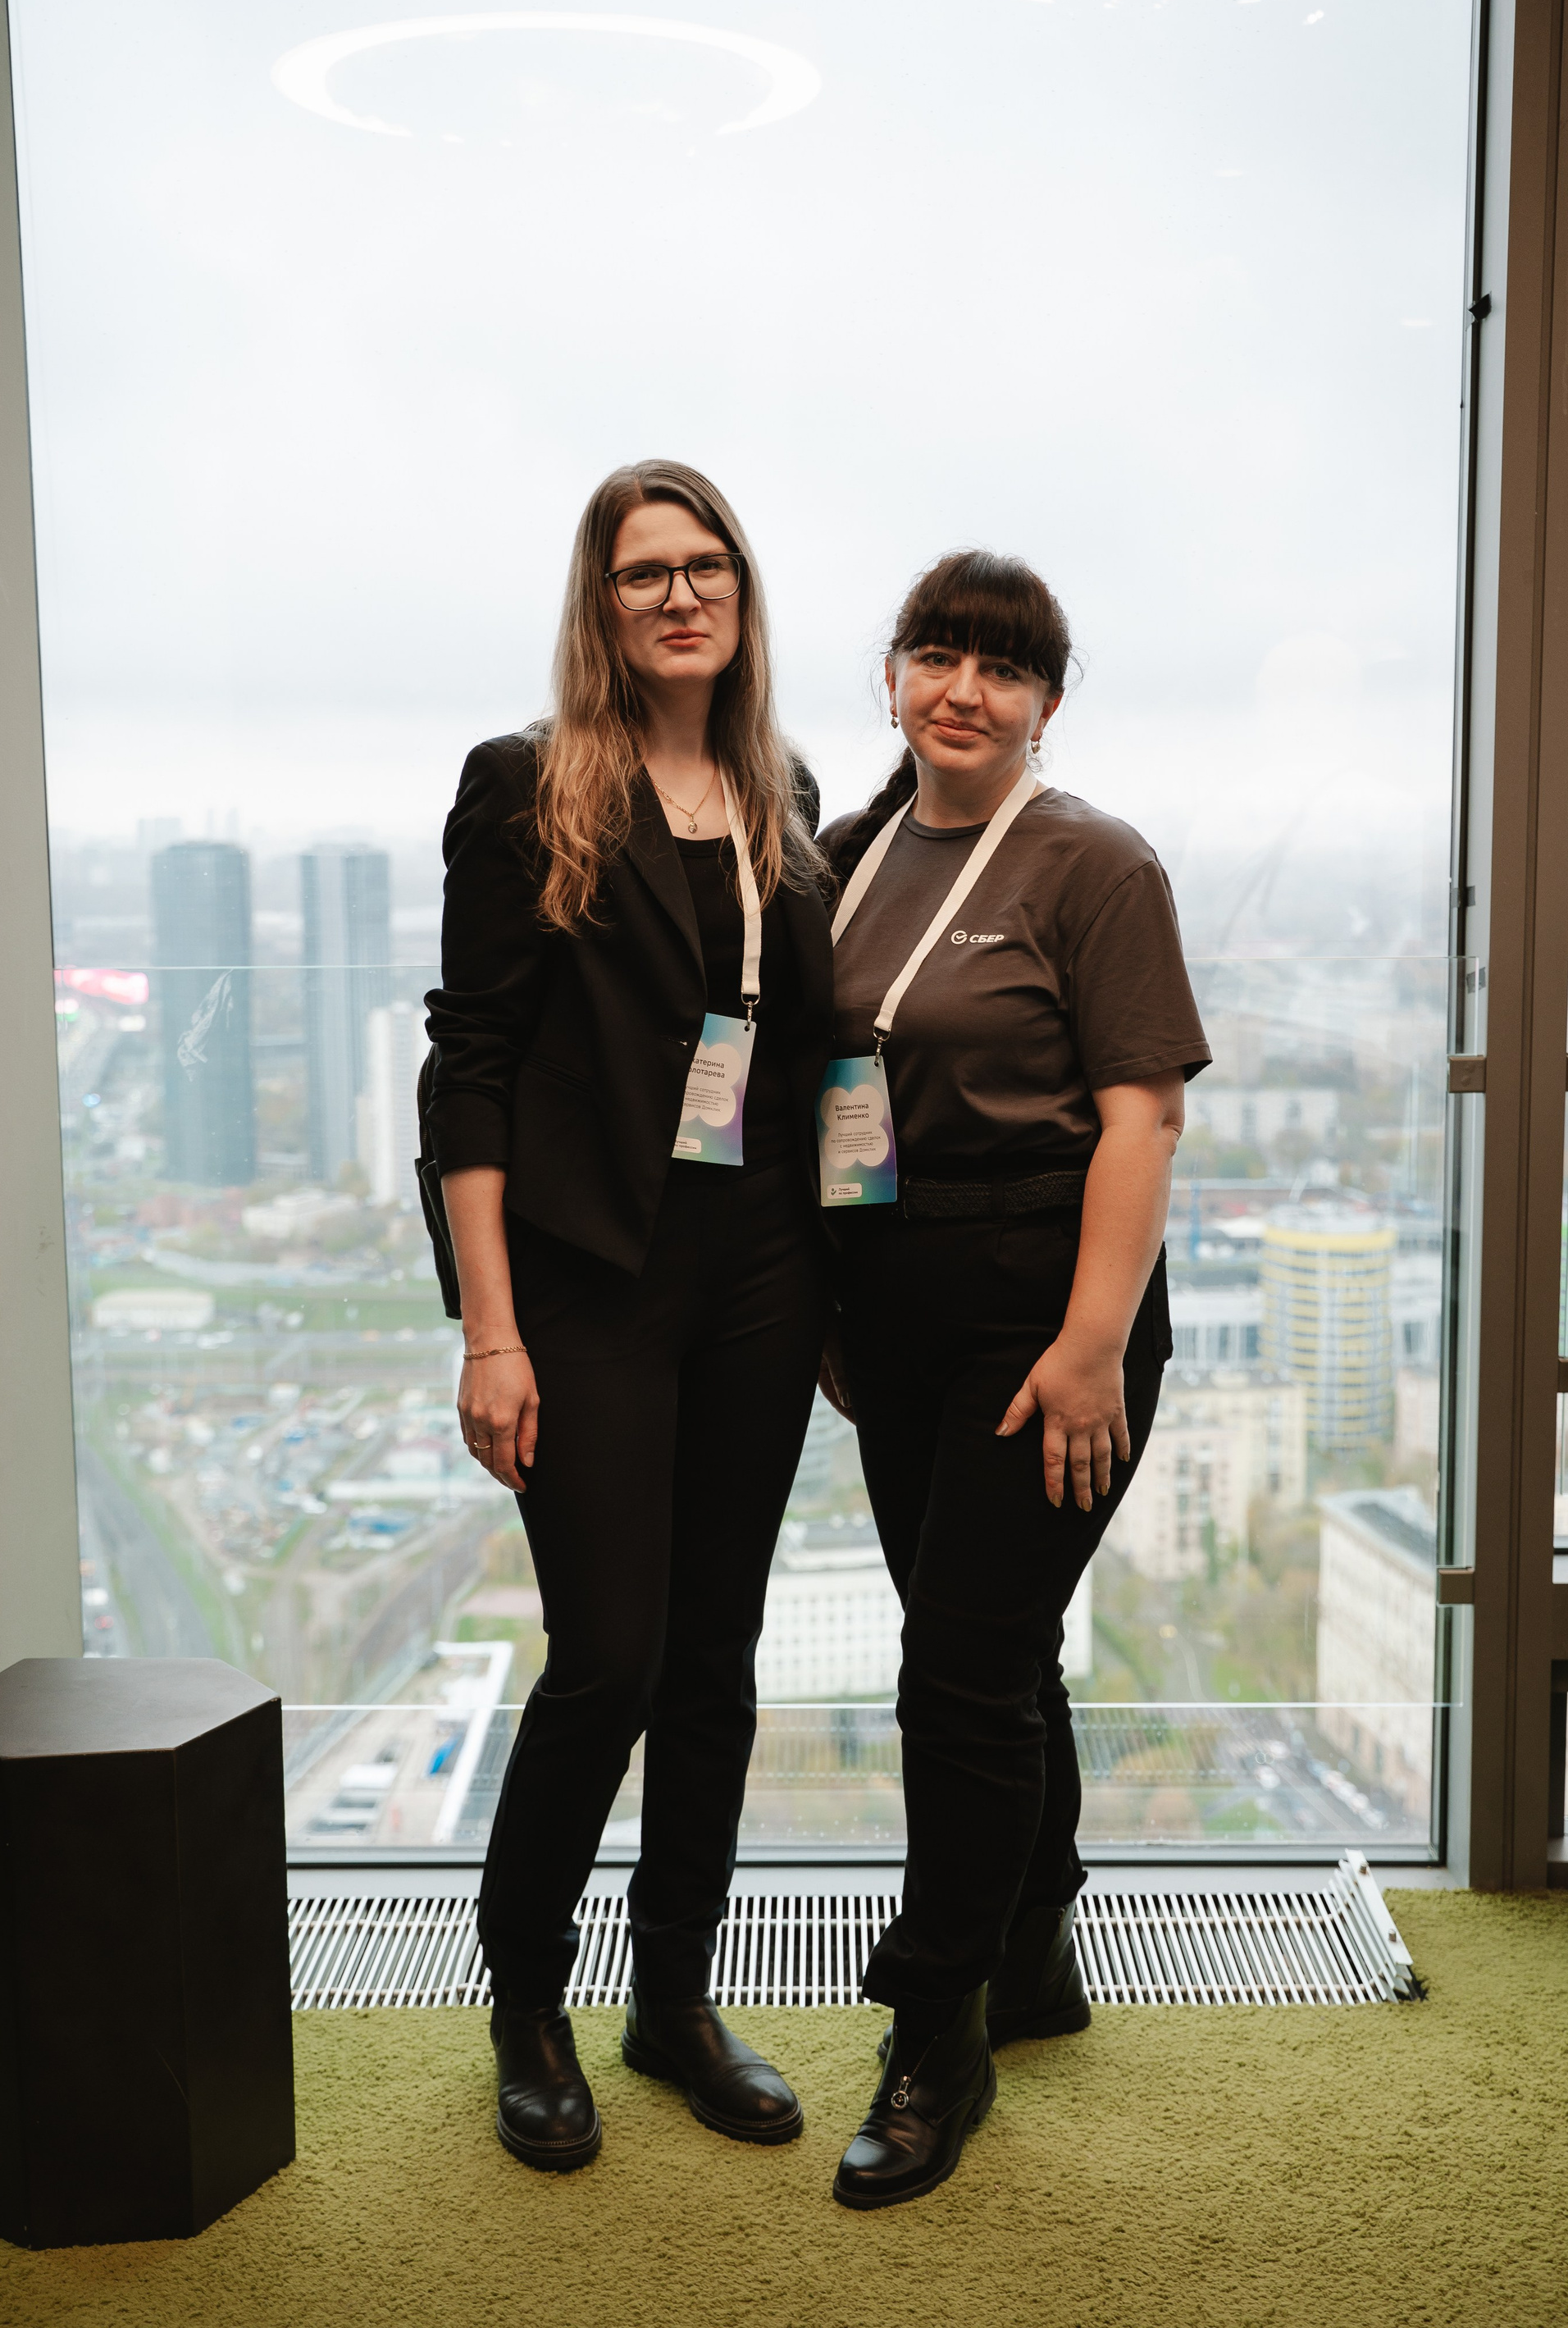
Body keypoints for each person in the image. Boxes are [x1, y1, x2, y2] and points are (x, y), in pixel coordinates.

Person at [424, 459, 834, 2171]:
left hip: (759, 1269)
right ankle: (528, 1999)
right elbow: (471, 1070)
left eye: (705, 563)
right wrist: (490, 1331)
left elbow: (811, 1057)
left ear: (740, 588)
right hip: (590, 1273)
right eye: (644, 571)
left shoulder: (784, 789)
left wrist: (848, 1276)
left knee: (719, 1657)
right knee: (610, 1656)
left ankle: (674, 1999)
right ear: (602, 607)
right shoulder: (528, 786)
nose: (680, 593)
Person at [816, 549, 1210, 2210]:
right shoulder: (845, 857)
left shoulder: (1094, 863)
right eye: (936, 655)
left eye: (1001, 666)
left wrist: (1092, 1346)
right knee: (991, 1649)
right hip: (896, 1314)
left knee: (957, 1673)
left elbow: (1144, 1116)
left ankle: (937, 2034)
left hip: (1050, 1314)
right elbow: (834, 1088)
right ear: (893, 676)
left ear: (1048, 700)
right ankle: (1035, 1954)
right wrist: (834, 1312)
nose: (962, 689)